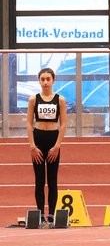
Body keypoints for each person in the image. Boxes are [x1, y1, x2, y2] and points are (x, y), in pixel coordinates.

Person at [26, 68, 67, 218]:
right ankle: (40, 213)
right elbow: (29, 124)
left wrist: (57, 146)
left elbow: (63, 124)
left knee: (52, 180)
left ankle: (52, 215)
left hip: (53, 139)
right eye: (42, 79)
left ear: (53, 80)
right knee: (39, 180)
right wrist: (32, 146)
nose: (45, 82)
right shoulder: (33, 99)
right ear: (39, 81)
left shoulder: (60, 100)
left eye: (48, 79)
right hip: (38, 138)